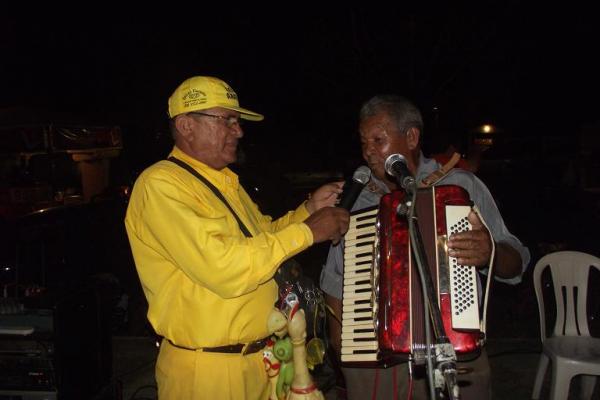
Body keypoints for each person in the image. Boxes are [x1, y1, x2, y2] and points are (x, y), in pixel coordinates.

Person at [124, 76, 350, 399]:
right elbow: (224, 267)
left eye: (237, 121)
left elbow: (262, 237)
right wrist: (310, 232)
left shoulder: (224, 182)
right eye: (227, 120)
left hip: (259, 361)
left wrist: (309, 209)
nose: (239, 131)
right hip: (208, 370)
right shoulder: (161, 185)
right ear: (186, 125)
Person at [319, 95, 530, 399]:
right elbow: (334, 279)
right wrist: (344, 345)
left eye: (378, 140)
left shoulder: (460, 187)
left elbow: (518, 262)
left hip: (454, 355)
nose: (368, 153)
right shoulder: (358, 201)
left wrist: (490, 253)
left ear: (412, 137)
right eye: (364, 143)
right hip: (374, 361)